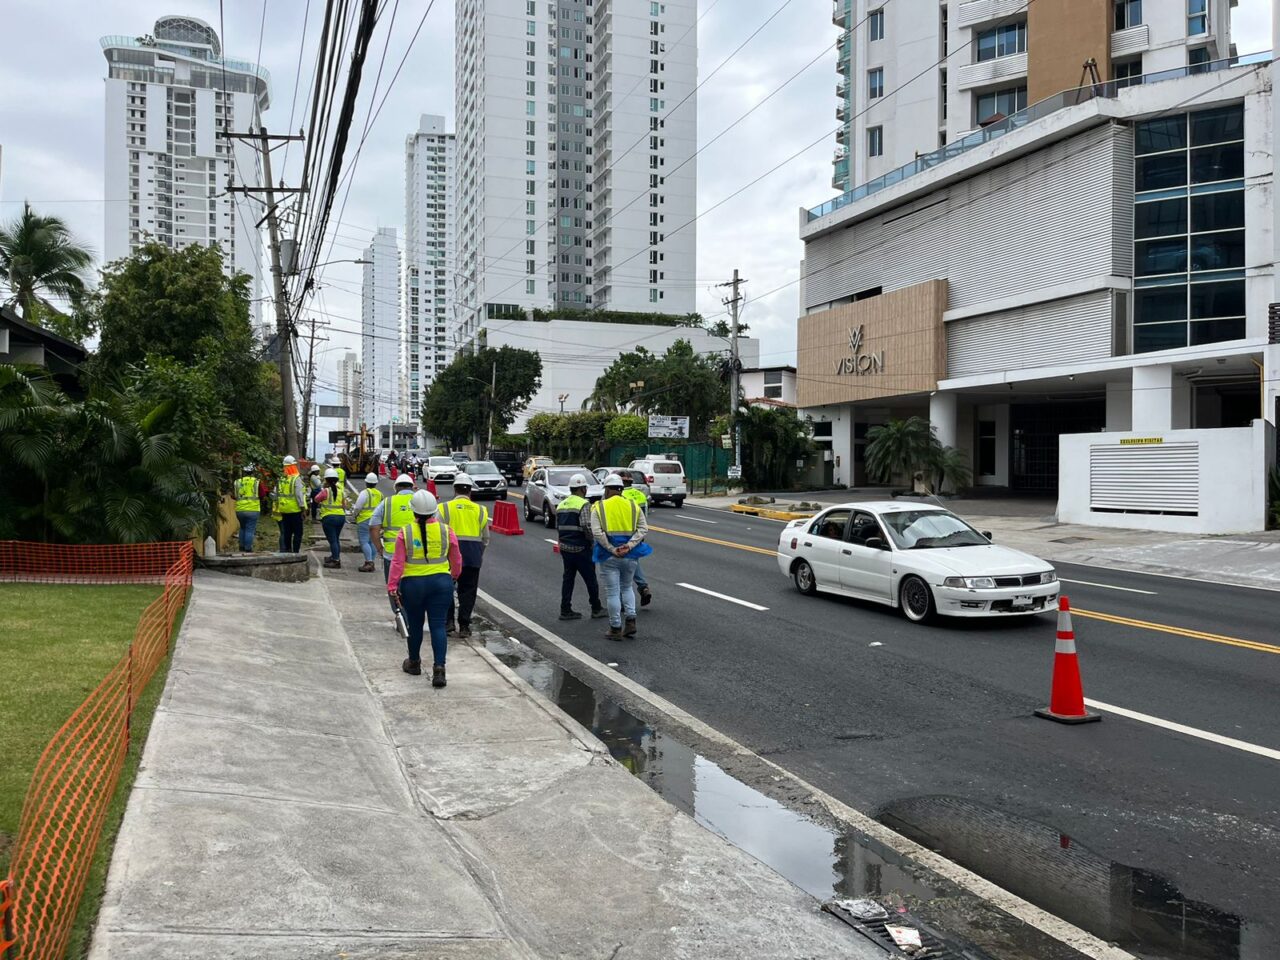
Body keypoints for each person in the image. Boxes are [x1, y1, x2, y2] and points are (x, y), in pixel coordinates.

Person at [386, 490, 462, 687]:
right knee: (438, 625)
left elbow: (397, 562)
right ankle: (439, 669)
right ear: (434, 512)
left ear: (414, 512)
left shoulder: (405, 532)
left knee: (416, 624)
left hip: (413, 585)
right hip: (441, 583)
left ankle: (414, 663)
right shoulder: (447, 531)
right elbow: (456, 559)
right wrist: (452, 576)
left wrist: (392, 586)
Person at [591, 474, 651, 640]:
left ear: (608, 489)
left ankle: (615, 628)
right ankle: (631, 621)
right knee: (627, 588)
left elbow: (596, 532)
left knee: (612, 592)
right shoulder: (633, 506)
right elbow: (643, 529)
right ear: (621, 489)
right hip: (630, 555)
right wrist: (630, 545)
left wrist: (612, 548)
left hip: (608, 556)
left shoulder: (599, 507)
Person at [439, 473, 489, 639]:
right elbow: (485, 538)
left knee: (446, 589)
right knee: (468, 591)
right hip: (473, 556)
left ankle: (449, 623)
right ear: (470, 491)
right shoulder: (481, 510)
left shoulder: (443, 508)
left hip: (448, 557)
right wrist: (478, 552)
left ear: (455, 489)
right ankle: (465, 626)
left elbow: (438, 533)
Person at [556, 474, 605, 621]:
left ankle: (565, 609)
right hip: (580, 547)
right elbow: (586, 526)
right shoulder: (584, 504)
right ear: (583, 488)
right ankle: (596, 607)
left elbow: (558, 527)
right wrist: (592, 541)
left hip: (565, 547)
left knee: (568, 578)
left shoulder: (561, 504)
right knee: (590, 579)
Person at [372, 473, 416, 612]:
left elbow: (373, 527)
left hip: (392, 554)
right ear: (412, 487)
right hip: (418, 554)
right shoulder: (421, 500)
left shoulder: (387, 502)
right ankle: (412, 616)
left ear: (395, 487)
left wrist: (379, 548)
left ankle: (400, 617)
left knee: (394, 587)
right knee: (414, 589)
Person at [621, 472, 653, 607]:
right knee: (633, 561)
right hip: (639, 534)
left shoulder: (621, 497)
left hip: (624, 534)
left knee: (622, 565)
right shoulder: (640, 495)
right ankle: (643, 587)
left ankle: (623, 602)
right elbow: (644, 516)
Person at [350, 472, 384, 573]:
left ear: (366, 482)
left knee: (364, 541)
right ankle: (371, 562)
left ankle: (369, 562)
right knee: (372, 541)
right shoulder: (380, 494)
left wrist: (354, 516)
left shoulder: (364, 493)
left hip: (364, 520)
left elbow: (357, 507)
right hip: (376, 520)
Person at [317, 467, 347, 568]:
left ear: (326, 480)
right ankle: (335, 556)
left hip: (329, 518)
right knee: (336, 539)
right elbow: (344, 505)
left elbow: (316, 499)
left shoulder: (325, 491)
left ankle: (336, 560)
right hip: (341, 517)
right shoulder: (341, 491)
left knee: (332, 540)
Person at [276, 455, 306, 553]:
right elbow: (299, 496)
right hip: (295, 510)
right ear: (293, 466)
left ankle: (288, 550)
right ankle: (296, 552)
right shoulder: (296, 479)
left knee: (287, 532)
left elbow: (276, 493)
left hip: (284, 510)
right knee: (298, 533)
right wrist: (303, 509)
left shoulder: (281, 479)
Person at [234, 465, 260, 553]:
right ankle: (248, 548)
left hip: (240, 510)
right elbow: (263, 494)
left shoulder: (237, 482)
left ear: (243, 472)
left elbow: (234, 495)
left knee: (242, 528)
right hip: (253, 509)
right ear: (252, 472)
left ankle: (241, 547)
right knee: (250, 529)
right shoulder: (256, 482)